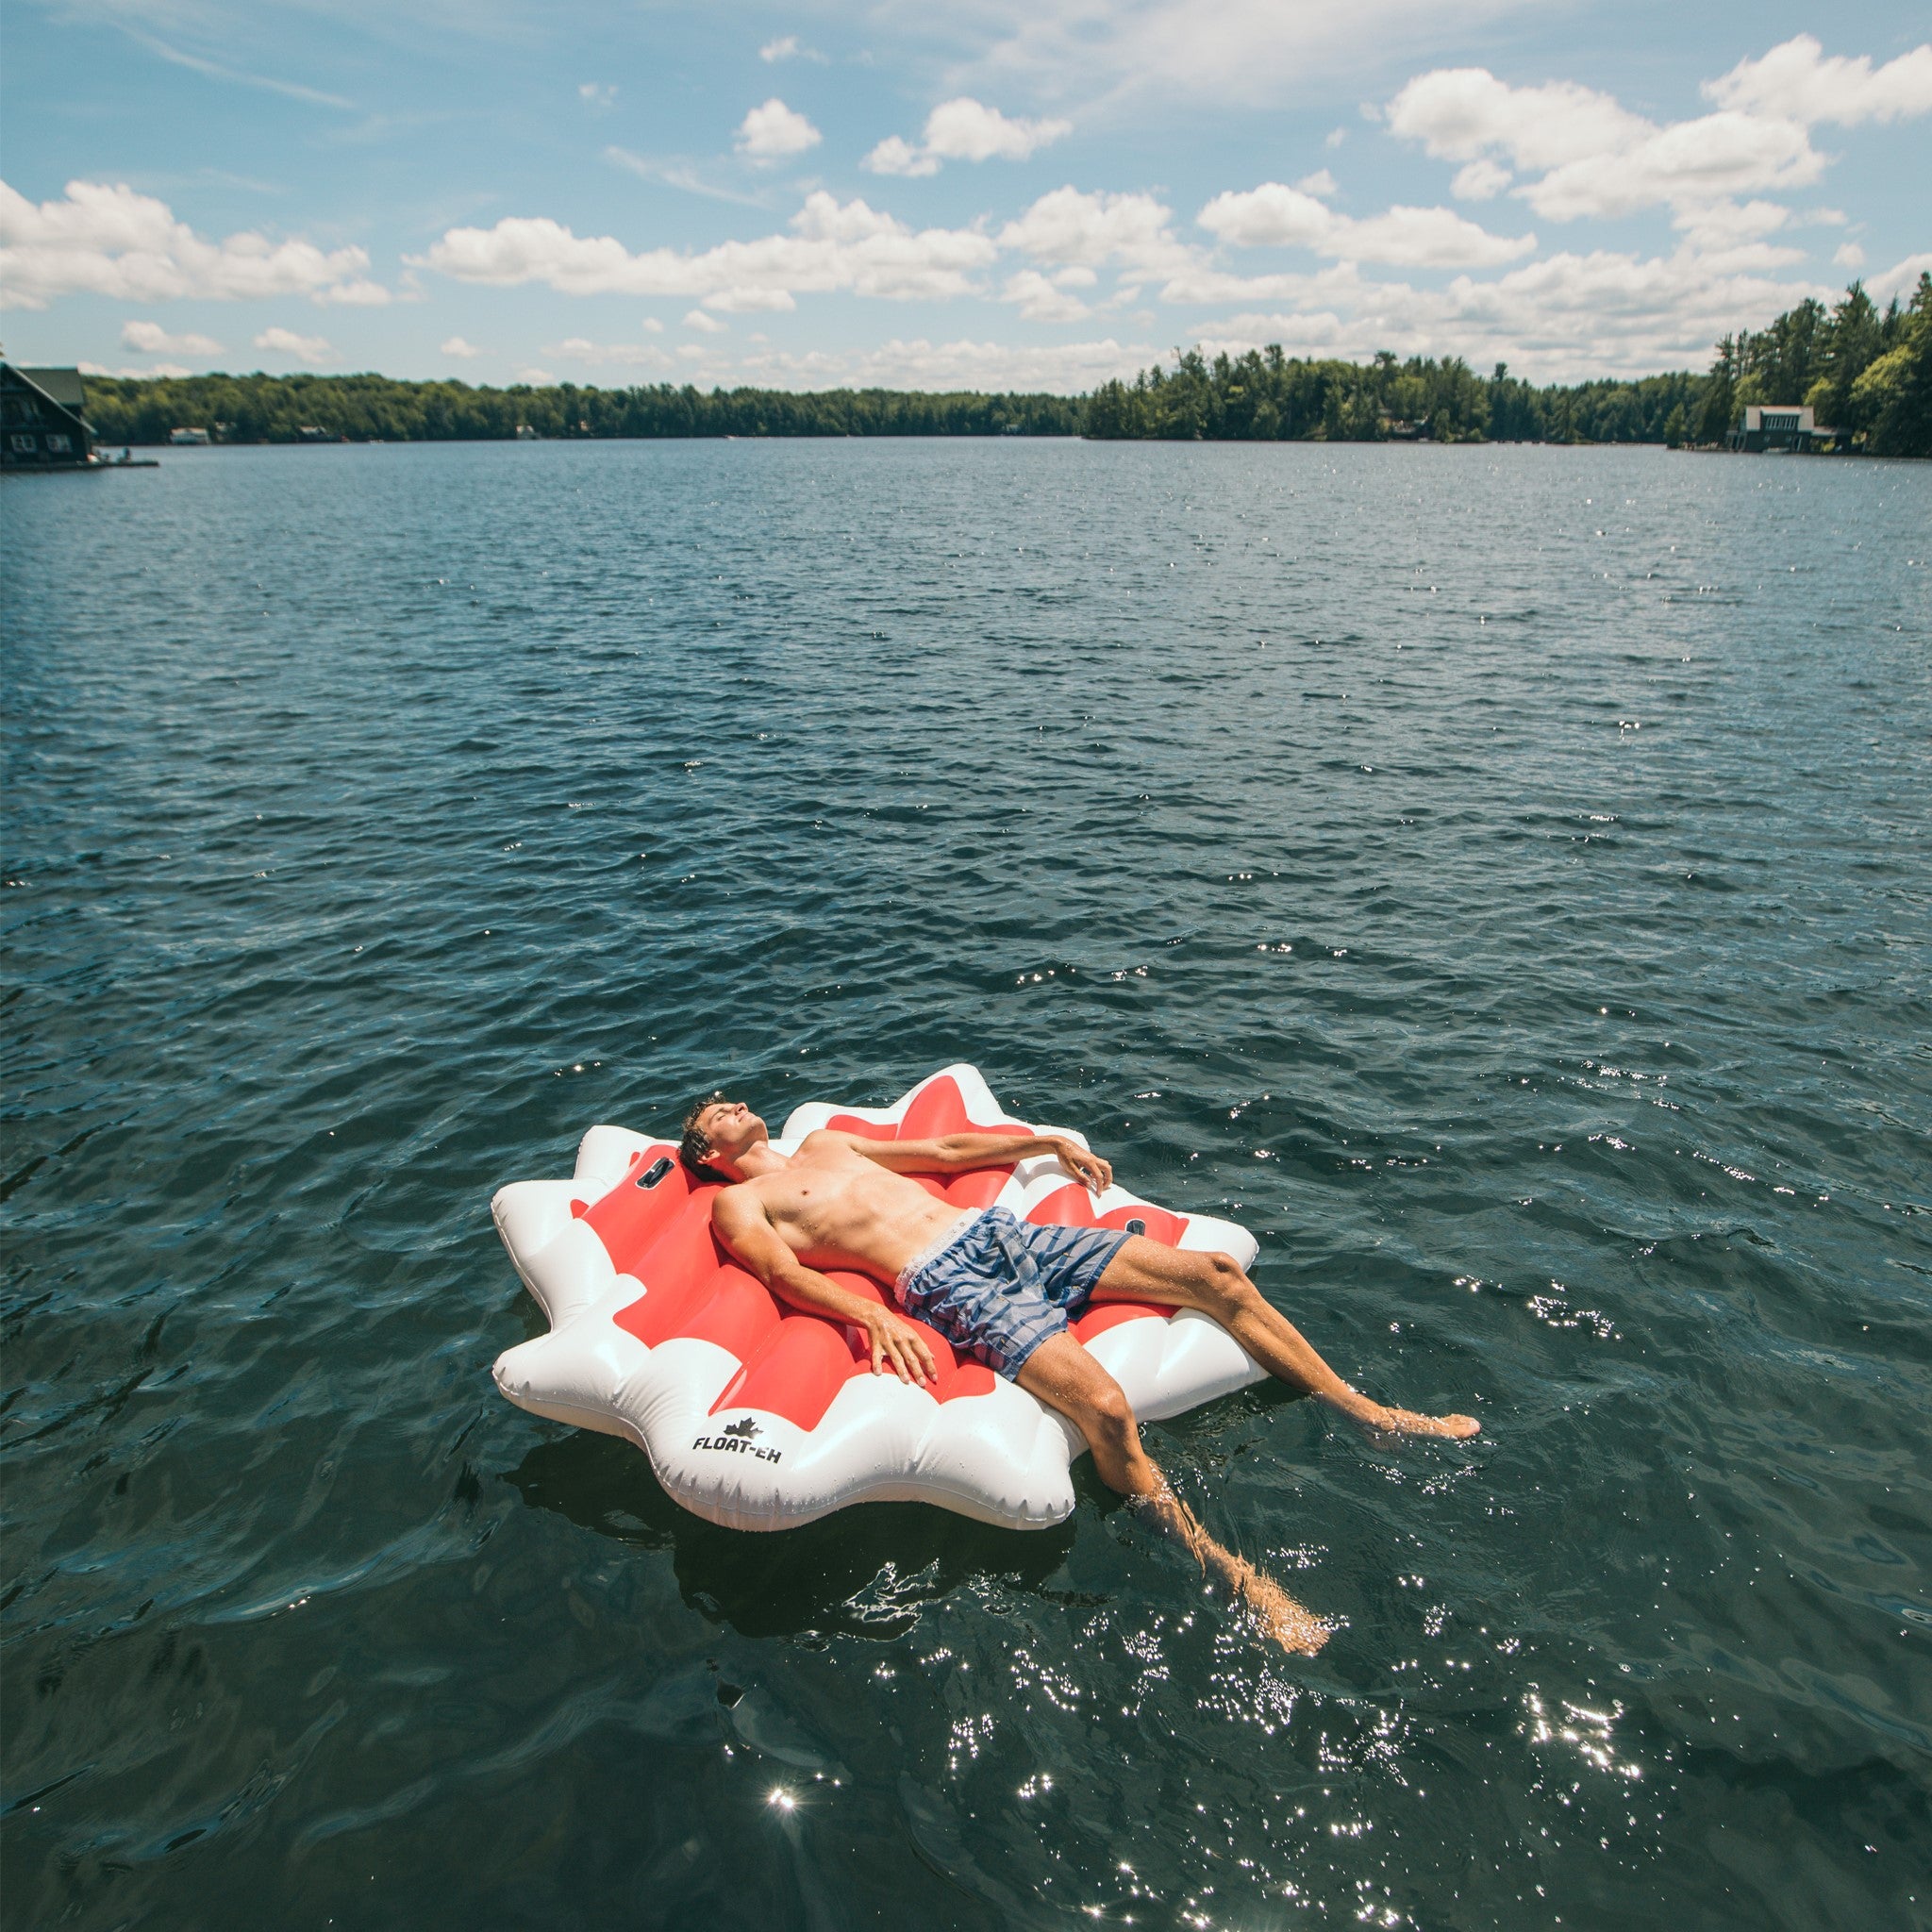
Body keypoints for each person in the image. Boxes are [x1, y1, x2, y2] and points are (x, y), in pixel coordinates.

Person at [684, 1095, 1479, 1655]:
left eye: (730, 1100)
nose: (730, 1104)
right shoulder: (738, 1206)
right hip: (945, 1282)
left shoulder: (827, 1143)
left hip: (999, 1232)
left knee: (1216, 1276)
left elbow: (940, 1154)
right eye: (712, 1113)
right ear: (707, 1153)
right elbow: (784, 1276)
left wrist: (1041, 1143)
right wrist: (875, 1316)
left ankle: (1363, 1409)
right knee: (1104, 1408)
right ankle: (1238, 1580)